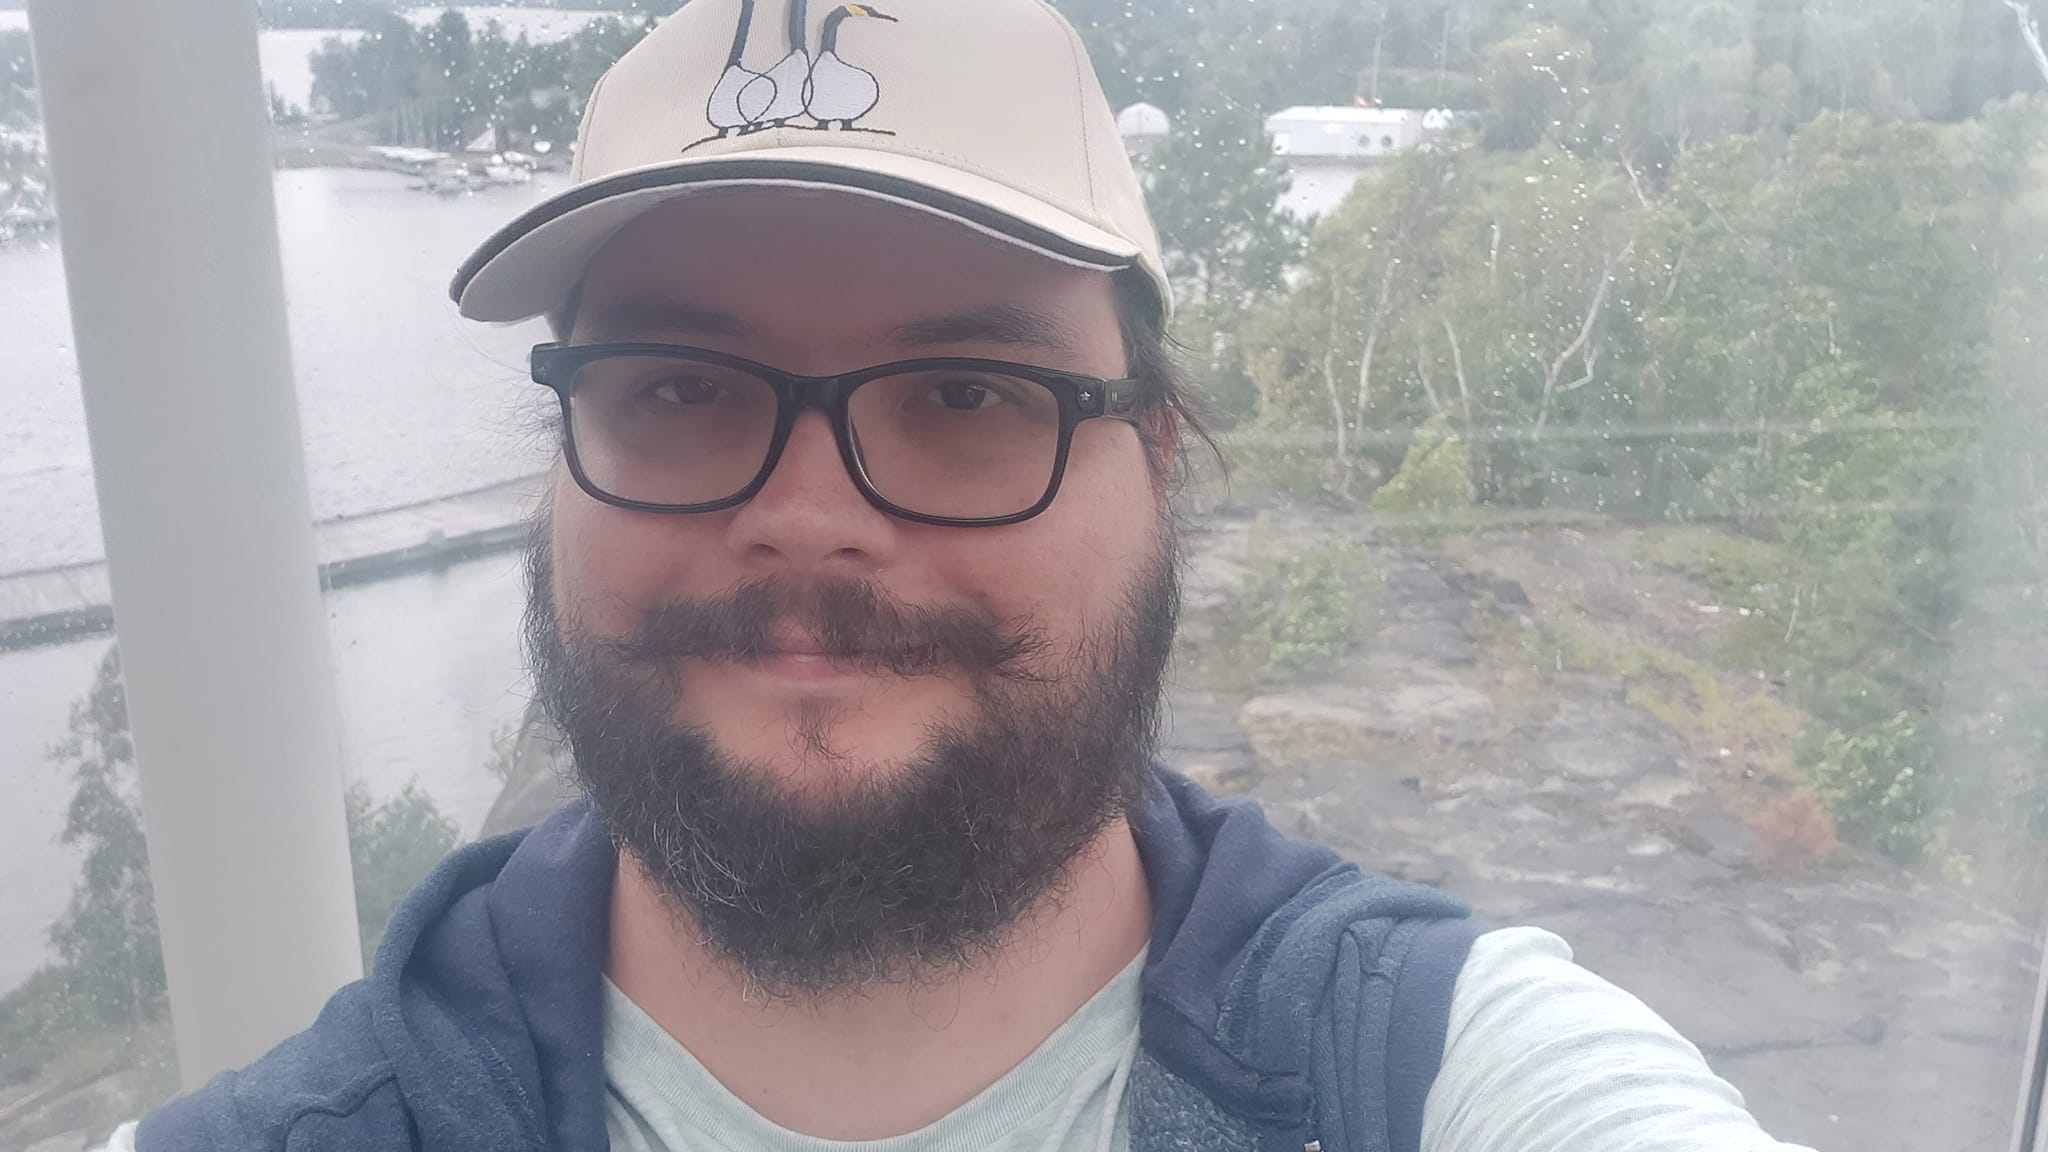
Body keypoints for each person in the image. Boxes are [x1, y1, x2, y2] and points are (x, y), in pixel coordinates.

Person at [117, 1, 1813, 1149]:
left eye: (966, 397)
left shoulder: (1435, 1073)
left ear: (1153, 461)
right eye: (679, 389)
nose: (803, 517)